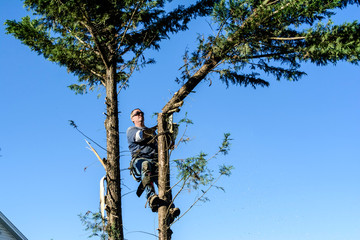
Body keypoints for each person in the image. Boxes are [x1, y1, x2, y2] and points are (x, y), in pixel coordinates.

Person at [127, 108, 180, 220]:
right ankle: (151, 197)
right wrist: (157, 128)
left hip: (155, 162)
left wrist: (169, 140)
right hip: (139, 161)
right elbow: (140, 136)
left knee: (163, 180)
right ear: (132, 118)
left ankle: (170, 207)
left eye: (141, 113)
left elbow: (162, 146)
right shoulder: (131, 130)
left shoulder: (153, 133)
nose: (140, 114)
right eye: (137, 114)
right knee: (145, 165)